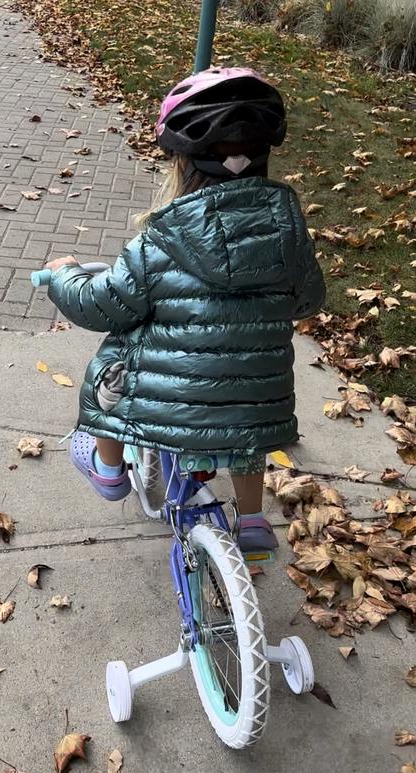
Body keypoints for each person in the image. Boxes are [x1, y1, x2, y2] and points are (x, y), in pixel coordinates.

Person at [44, 66, 325, 553]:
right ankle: (254, 522)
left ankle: (109, 470)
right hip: (260, 406)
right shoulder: (288, 234)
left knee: (111, 360)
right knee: (246, 432)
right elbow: (309, 299)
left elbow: (101, 306)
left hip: (171, 404)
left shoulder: (158, 240)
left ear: (180, 166)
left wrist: (62, 276)